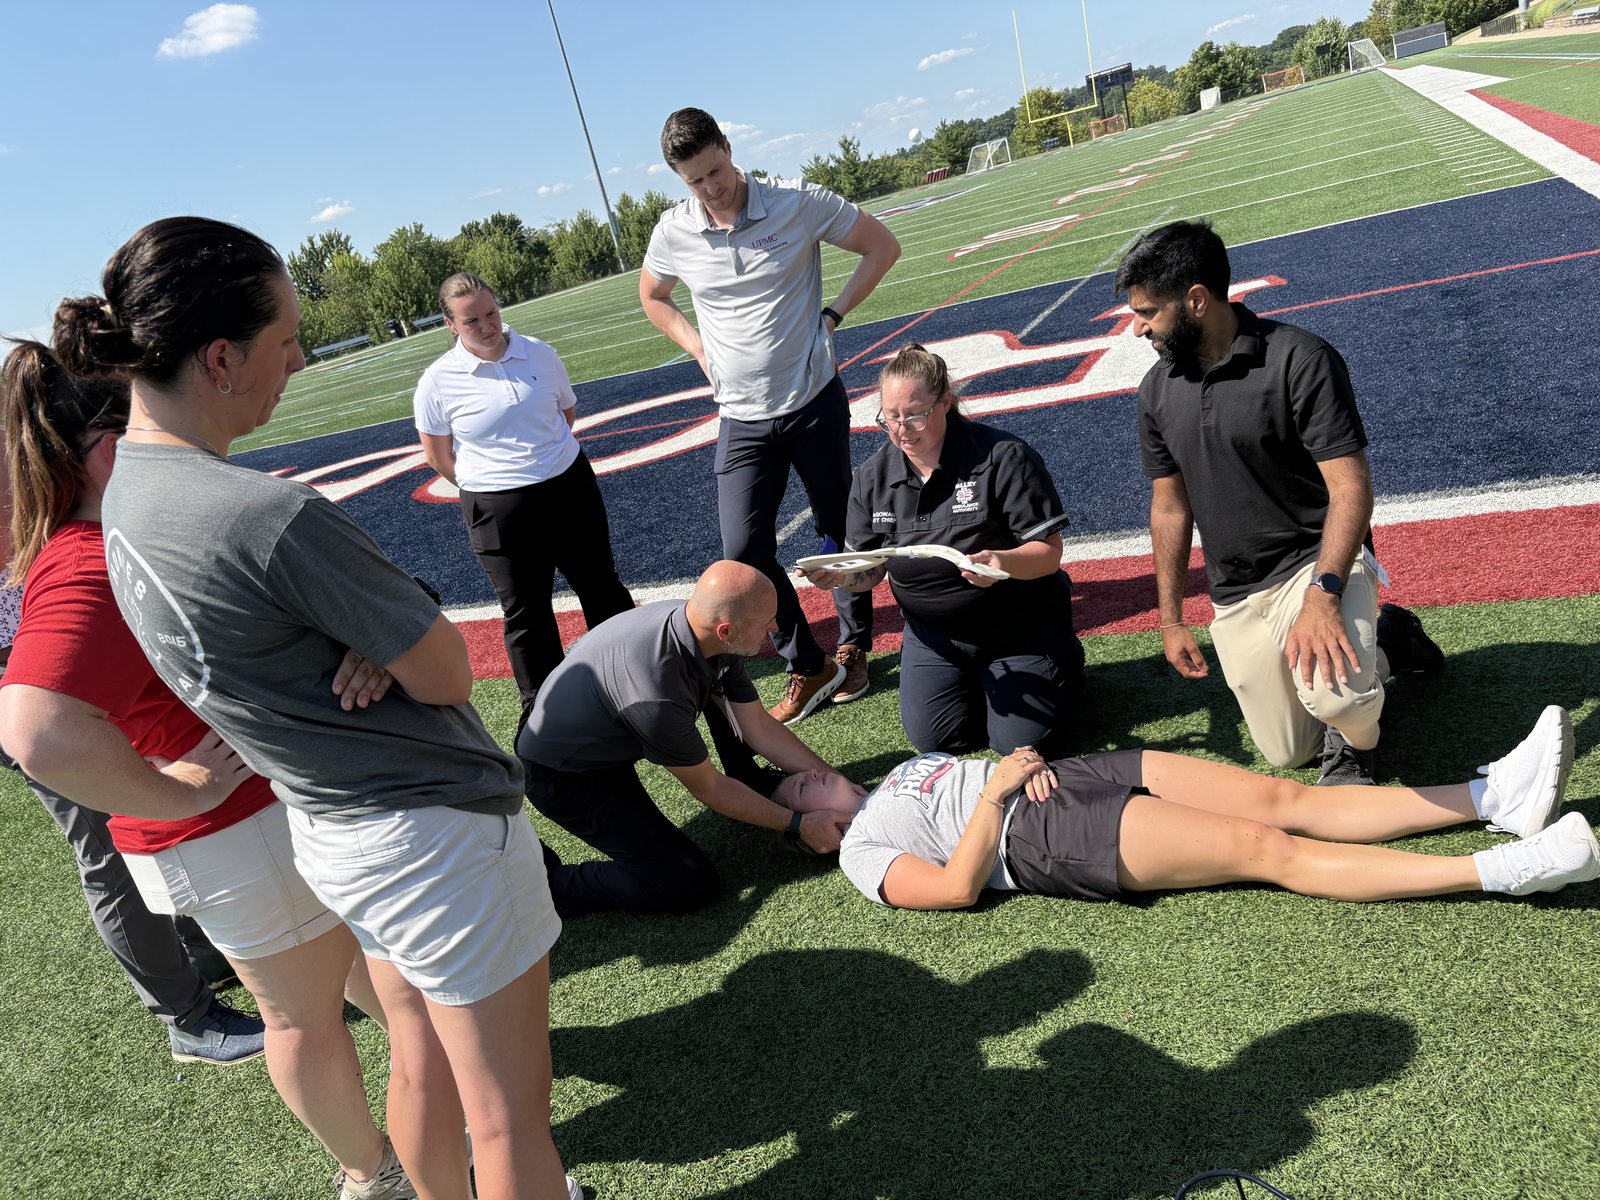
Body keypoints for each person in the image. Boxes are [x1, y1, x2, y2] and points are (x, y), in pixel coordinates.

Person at [55, 217, 577, 1200]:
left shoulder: (125, 497)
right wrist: (382, 634)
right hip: (426, 826)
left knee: (420, 1055)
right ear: (220, 358)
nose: (298, 359)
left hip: (332, 828)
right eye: (288, 338)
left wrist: (361, 638)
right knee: (509, 1118)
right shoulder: (265, 514)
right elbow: (445, 672)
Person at [0, 340, 415, 1199]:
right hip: (232, 828)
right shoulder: (86, 558)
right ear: (108, 447)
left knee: (358, 980)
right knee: (305, 1018)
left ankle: (429, 1107)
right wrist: (174, 790)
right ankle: (376, 1171)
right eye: (156, 417)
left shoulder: (124, 528)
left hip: (258, 813)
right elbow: (35, 731)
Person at [1114, 219, 1441, 786]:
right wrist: (1171, 618)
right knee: (1289, 750)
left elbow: (1351, 487)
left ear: (1196, 300)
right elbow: (1169, 507)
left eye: (1148, 313)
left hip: (1314, 565)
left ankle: (1355, 747)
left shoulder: (1300, 357)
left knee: (1337, 703)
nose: (1137, 329)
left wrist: (1323, 594)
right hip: (1237, 588)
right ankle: (1391, 642)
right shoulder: (1156, 390)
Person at [0, 411, 256, 1067]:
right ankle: (187, 1017)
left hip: (75, 661)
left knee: (154, 805)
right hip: (33, 683)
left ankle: (207, 953)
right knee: (109, 845)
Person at [773, 706, 1593, 910]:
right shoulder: (859, 856)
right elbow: (955, 887)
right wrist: (995, 794)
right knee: (1265, 847)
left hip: (1065, 777)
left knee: (1285, 796)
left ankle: (1492, 795)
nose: (805, 777)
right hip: (1037, 835)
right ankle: (1501, 870)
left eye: (800, 775)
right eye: (796, 792)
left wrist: (1019, 768)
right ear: (815, 836)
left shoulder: (899, 769)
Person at [640, 107, 902, 725]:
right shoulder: (673, 231)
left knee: (839, 533)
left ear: (729, 147)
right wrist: (695, 345)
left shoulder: (795, 202)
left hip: (813, 402)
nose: (711, 188)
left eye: (715, 171)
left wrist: (833, 314)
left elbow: (882, 247)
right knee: (744, 552)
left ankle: (853, 647)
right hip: (741, 418)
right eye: (694, 181)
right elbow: (653, 296)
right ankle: (807, 662)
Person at [519, 560, 862, 917]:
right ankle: (546, 887)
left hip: (595, 735)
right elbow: (709, 787)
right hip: (564, 775)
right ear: (726, 630)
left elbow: (757, 726)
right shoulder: (657, 695)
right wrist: (798, 824)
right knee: (686, 884)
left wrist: (841, 781)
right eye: (766, 623)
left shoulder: (703, 625)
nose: (775, 627)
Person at [801, 345, 1084, 759]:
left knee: (1024, 745)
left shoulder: (1002, 456)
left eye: (915, 415)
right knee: (937, 741)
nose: (902, 430)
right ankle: (978, 682)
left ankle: (1060, 659)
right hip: (933, 634)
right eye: (890, 418)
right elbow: (870, 569)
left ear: (945, 402)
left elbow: (1049, 552)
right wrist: (841, 576)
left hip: (1018, 625)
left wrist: (1003, 563)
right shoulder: (873, 476)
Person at [415, 272, 633, 710]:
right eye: (471, 320)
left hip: (569, 488)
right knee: (527, 612)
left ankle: (632, 672)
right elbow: (437, 456)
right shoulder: (437, 381)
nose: (487, 326)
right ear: (450, 325)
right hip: (499, 510)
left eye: (491, 313)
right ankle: (546, 709)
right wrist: (496, 483)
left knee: (601, 586)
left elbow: (564, 414)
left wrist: (542, 463)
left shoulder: (540, 352)